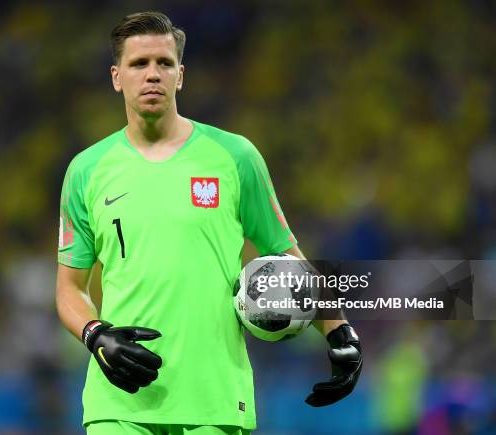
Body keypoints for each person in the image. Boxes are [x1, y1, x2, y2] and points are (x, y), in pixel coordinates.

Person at [56, 11, 362, 435]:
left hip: (214, 398)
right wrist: (95, 335)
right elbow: (69, 289)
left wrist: (338, 330)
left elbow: (286, 255)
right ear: (116, 76)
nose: (152, 75)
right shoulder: (86, 170)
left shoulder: (235, 157)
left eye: (163, 64)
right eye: (138, 64)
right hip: (120, 400)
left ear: (180, 76)